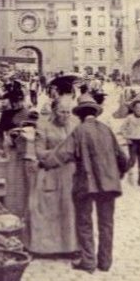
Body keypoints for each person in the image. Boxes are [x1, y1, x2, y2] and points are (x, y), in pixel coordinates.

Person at [40, 97, 129, 273]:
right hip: (109, 183)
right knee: (106, 223)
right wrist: (120, 172)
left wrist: (45, 164)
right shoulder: (107, 130)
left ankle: (88, 261)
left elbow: (63, 154)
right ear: (95, 114)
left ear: (79, 115)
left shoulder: (79, 131)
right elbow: (122, 157)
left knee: (84, 222)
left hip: (86, 184)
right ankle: (105, 262)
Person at [30, 96, 79, 255]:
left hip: (71, 173)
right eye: (62, 112)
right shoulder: (43, 126)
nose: (65, 115)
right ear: (54, 111)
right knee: (49, 210)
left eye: (68, 112)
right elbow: (38, 152)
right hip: (50, 172)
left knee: (70, 209)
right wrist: (61, 152)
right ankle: (48, 248)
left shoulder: (74, 125)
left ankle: (71, 247)